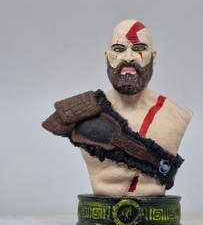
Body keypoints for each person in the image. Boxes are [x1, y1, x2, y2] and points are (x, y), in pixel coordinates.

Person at [43, 19, 192, 197]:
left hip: (153, 211)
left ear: (154, 57)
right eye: (119, 49)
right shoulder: (79, 111)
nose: (128, 57)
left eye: (139, 48)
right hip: (101, 208)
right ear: (107, 57)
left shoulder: (177, 116)